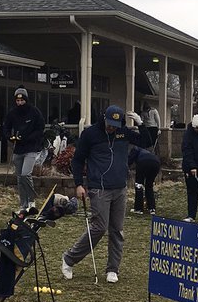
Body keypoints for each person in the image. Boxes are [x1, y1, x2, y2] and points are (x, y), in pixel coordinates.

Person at [62, 104, 146, 284]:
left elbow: (146, 141)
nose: (111, 128)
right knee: (99, 227)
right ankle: (69, 259)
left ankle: (112, 269)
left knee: (117, 230)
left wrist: (141, 124)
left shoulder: (123, 132)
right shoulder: (90, 134)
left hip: (120, 187)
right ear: (104, 118)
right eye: (109, 124)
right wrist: (79, 184)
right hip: (98, 188)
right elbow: (78, 160)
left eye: (115, 125)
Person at [1, 87, 46, 211]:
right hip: (18, 149)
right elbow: (6, 127)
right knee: (20, 178)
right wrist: (10, 137)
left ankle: (31, 201)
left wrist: (28, 138)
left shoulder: (34, 112)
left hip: (31, 148)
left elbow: (40, 128)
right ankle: (23, 205)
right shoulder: (13, 113)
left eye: (22, 100)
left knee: (26, 174)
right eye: (17, 101)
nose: (20, 103)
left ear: (26, 100)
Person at [129, 143, 161, 214]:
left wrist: (126, 167)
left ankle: (138, 209)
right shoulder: (146, 151)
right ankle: (152, 208)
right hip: (156, 163)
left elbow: (130, 160)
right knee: (149, 186)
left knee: (139, 185)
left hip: (143, 162)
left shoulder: (135, 148)